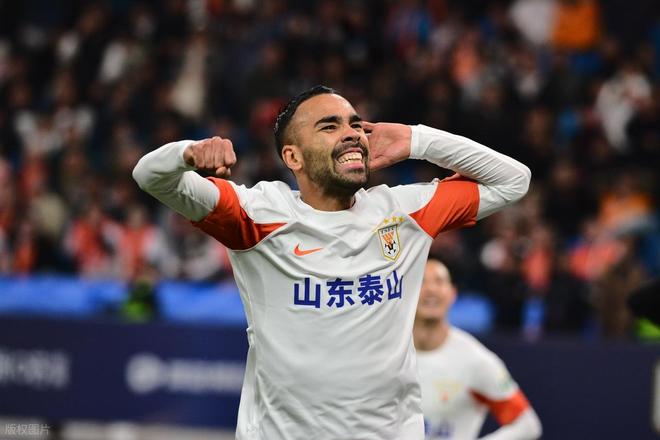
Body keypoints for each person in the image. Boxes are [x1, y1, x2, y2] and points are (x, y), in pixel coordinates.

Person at [132, 85, 531, 440]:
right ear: (293, 156)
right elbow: (150, 175)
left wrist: (416, 140)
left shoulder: (406, 212)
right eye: (330, 126)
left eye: (355, 124)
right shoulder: (256, 215)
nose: (352, 133)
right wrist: (186, 153)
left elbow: (514, 180)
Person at [415, 258, 542, 440]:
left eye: (439, 282)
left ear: (453, 294)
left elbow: (527, 424)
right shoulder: (387, 351)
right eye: (421, 282)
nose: (431, 289)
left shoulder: (475, 360)